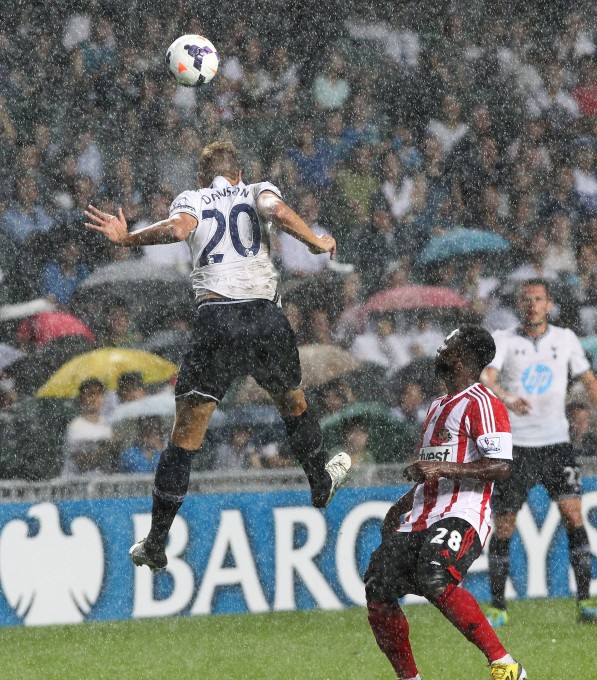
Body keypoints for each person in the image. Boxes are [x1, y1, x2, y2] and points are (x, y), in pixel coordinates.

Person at [85, 141, 351, 571]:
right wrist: (316, 242)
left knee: (185, 438)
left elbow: (176, 230)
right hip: (264, 316)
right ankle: (319, 482)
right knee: (294, 404)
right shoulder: (257, 189)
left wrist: (128, 238)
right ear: (239, 173)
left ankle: (156, 541)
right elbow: (278, 212)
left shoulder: (193, 198)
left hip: (217, 319)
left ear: (200, 176)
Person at [365, 325, 527, 680]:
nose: (440, 349)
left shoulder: (483, 402)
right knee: (377, 586)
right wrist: (402, 504)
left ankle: (506, 665)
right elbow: (433, 468)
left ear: (464, 355)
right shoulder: (438, 405)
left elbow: (501, 466)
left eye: (447, 344)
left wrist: (442, 467)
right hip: (421, 514)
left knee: (434, 574)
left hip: (463, 512)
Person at [481, 278, 597, 626]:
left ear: (549, 304)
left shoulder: (565, 338)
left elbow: (588, 380)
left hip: (557, 445)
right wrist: (508, 398)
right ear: (519, 305)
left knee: (573, 516)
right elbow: (487, 378)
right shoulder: (504, 340)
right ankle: (498, 607)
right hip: (516, 446)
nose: (532, 305)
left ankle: (585, 602)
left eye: (538, 299)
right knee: (505, 525)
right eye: (526, 299)